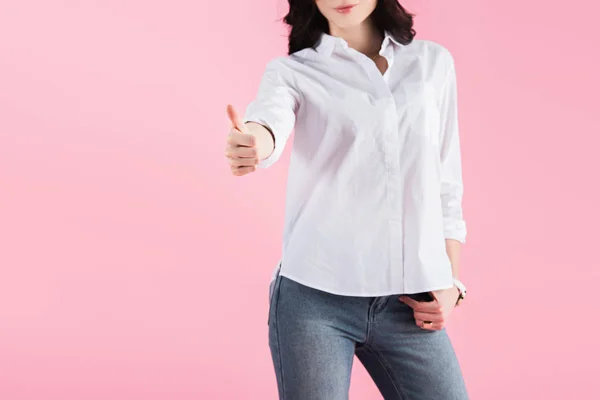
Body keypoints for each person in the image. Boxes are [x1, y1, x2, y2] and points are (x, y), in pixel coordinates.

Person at [224, 0, 469, 399]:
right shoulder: (293, 72)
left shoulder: (432, 65)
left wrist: (451, 282)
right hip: (314, 301)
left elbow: (445, 183)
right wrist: (254, 143)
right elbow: (268, 120)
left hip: (409, 302)